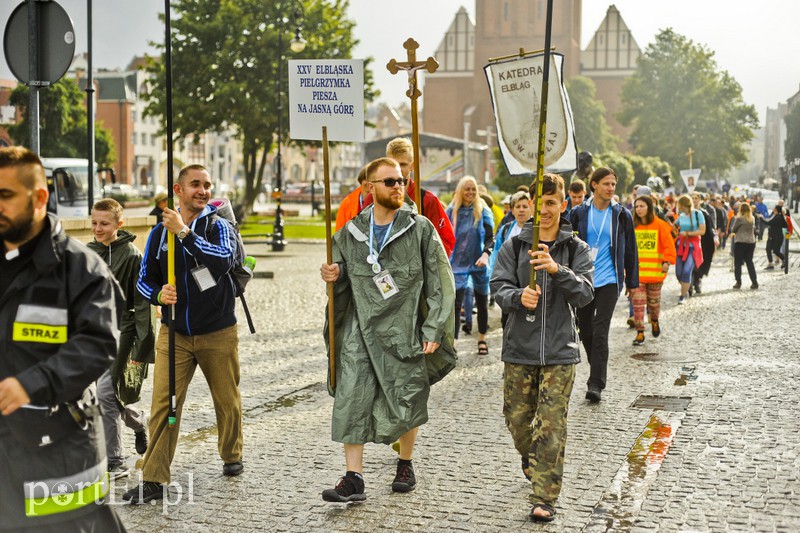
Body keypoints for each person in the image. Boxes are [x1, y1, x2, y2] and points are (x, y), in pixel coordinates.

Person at [0, 147, 126, 531]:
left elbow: (98, 343)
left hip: (58, 458)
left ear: (39, 199)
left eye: (5, 195)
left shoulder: (81, 268)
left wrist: (33, 383)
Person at [319, 157, 456, 502]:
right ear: (370, 187)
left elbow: (441, 281)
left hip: (404, 325)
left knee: (407, 393)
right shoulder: (350, 233)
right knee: (352, 394)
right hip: (360, 328)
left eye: (401, 180)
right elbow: (341, 280)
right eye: (390, 181)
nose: (399, 186)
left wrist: (434, 327)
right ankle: (354, 477)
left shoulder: (420, 228)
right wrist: (334, 276)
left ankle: (405, 463)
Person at [125, 164, 244, 504]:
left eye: (207, 185)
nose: (203, 190)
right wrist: (158, 294)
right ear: (178, 190)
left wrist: (185, 233)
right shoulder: (158, 233)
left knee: (227, 400)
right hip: (174, 333)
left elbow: (223, 260)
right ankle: (154, 478)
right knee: (164, 404)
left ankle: (231, 452)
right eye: (195, 184)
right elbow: (143, 279)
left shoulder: (218, 226)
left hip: (217, 330)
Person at [491, 173, 594, 523]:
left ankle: (545, 496)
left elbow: (585, 293)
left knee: (551, 425)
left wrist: (557, 269)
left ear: (563, 204)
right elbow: (498, 286)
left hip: (560, 350)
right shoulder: (514, 246)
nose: (546, 210)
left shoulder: (576, 249)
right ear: (532, 204)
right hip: (519, 348)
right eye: (541, 203)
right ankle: (531, 458)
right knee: (518, 421)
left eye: (552, 202)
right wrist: (517, 296)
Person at [88, 199, 155, 480]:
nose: (98, 228)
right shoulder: (86, 253)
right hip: (91, 333)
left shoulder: (132, 256)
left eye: (104, 223)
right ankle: (139, 422)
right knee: (103, 395)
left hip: (122, 332)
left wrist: (143, 346)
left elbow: (142, 304)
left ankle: (115, 460)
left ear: (119, 224)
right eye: (94, 223)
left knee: (106, 392)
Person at [569, 167, 638, 402]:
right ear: (594, 185)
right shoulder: (579, 213)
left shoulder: (621, 214)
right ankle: (597, 366)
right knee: (585, 329)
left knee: (600, 330)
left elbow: (630, 250)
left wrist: (632, 282)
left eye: (613, 184)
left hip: (609, 280)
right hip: (584, 280)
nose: (610, 188)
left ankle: (595, 383)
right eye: (606, 184)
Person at [447, 175, 495, 355]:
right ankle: (454, 342)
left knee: (481, 301)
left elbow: (490, 237)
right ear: (460, 191)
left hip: (479, 261)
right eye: (467, 189)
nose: (471, 192)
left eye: (473, 189)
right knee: (456, 303)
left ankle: (482, 338)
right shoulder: (451, 211)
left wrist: (486, 254)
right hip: (457, 263)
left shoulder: (483, 210)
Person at [383, 137, 456, 255]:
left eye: (403, 164)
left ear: (412, 166)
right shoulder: (374, 198)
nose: (398, 169)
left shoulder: (427, 200)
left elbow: (445, 243)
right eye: (393, 164)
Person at [631, 195, 676, 346]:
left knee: (654, 304)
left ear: (649, 208)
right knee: (638, 304)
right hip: (638, 274)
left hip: (656, 274)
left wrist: (667, 261)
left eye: (642, 206)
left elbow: (669, 245)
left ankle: (654, 320)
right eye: (636, 206)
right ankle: (640, 332)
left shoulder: (660, 225)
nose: (638, 209)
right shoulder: (632, 226)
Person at [489, 190, 531, 328]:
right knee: (507, 321)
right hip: (510, 282)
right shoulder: (506, 230)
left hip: (528, 281)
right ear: (512, 210)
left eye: (525, 206)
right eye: (517, 207)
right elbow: (497, 254)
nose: (521, 210)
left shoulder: (538, 230)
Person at [672, 194, 705, 303]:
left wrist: (687, 233)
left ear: (682, 204)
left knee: (687, 271)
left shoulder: (698, 214)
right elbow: (674, 227)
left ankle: (683, 295)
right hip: (681, 246)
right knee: (678, 273)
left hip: (693, 247)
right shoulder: (681, 216)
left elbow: (702, 231)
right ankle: (686, 288)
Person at [690, 192, 717, 295]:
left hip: (703, 242)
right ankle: (690, 283)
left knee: (700, 263)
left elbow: (710, 228)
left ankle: (697, 281)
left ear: (700, 200)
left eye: (696, 198)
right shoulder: (687, 213)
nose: (694, 200)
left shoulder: (704, 213)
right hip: (689, 242)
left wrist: (714, 238)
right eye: (692, 198)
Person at [728, 202, 758, 289]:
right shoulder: (752, 218)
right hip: (751, 242)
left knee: (737, 263)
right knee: (749, 262)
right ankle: (754, 282)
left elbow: (733, 229)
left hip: (740, 242)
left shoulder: (739, 219)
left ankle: (738, 282)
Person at [334, 166, 370, 232]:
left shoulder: (382, 201)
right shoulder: (347, 202)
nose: (369, 183)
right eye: (366, 179)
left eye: (373, 180)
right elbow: (339, 230)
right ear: (361, 180)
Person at [761, 204, 788, 269]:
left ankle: (784, 260)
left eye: (774, 208)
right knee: (768, 249)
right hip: (772, 236)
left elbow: (768, 222)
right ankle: (770, 263)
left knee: (776, 250)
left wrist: (761, 218)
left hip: (776, 237)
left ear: (776, 209)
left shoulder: (778, 217)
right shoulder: (775, 215)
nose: (773, 209)